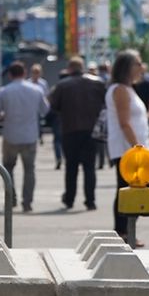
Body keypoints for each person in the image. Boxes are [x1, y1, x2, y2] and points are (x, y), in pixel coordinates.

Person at [106, 50, 149, 245]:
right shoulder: (120, 90)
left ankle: (125, 230)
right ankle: (123, 230)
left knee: (131, 189)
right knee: (128, 188)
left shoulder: (128, 89)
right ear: (127, 67)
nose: (142, 68)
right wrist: (137, 147)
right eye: (138, 64)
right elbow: (124, 122)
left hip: (132, 148)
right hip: (128, 149)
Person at [50, 56, 106, 211]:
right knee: (90, 167)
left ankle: (69, 199)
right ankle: (90, 200)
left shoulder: (62, 85)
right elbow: (105, 104)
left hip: (70, 130)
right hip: (91, 130)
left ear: (69, 68)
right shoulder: (97, 83)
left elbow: (54, 106)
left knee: (71, 167)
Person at [0, 61, 50, 213]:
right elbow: (45, 110)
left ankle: (11, 199)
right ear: (25, 73)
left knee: (8, 169)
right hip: (30, 135)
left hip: (10, 134)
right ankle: (27, 202)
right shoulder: (36, 89)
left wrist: (6, 114)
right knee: (29, 170)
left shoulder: (4, 91)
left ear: (10, 75)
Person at [31, 63, 62, 168]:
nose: (36, 75)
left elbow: (47, 95)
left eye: (38, 73)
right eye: (35, 73)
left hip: (43, 108)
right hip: (33, 109)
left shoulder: (43, 83)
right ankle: (39, 135)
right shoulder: (28, 83)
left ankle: (40, 135)